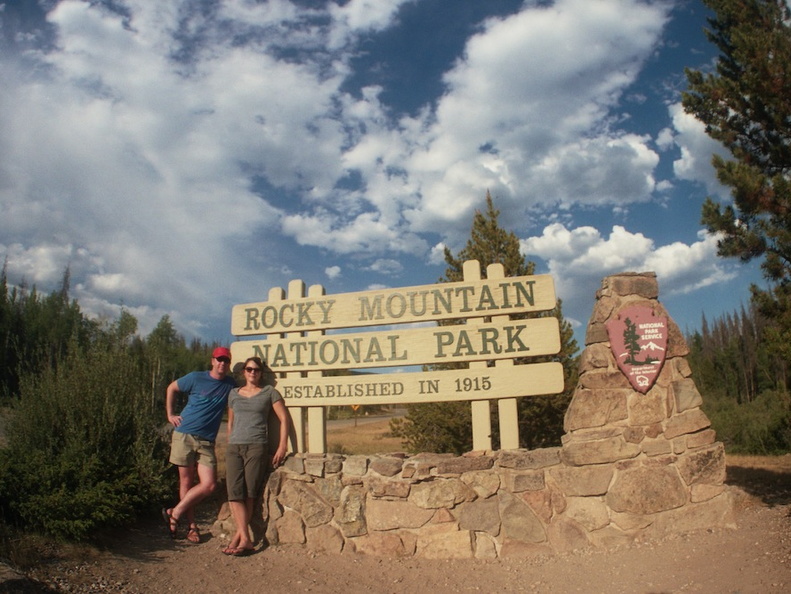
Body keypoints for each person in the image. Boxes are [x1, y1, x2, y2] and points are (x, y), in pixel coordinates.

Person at [162, 346, 237, 543]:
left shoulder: (230, 385)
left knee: (209, 485)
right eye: (219, 359)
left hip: (206, 441)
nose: (222, 363)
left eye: (226, 360)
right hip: (184, 433)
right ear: (212, 361)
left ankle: (174, 512)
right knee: (186, 482)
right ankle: (191, 527)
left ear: (229, 364)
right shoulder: (196, 377)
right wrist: (170, 414)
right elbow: (172, 388)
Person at [223, 356, 289, 556]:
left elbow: (284, 418)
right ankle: (245, 538)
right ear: (244, 372)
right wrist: (229, 441)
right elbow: (230, 422)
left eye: (257, 370)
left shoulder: (269, 393)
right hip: (235, 447)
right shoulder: (233, 393)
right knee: (234, 493)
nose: (253, 372)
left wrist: (282, 446)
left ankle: (239, 539)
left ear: (261, 373)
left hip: (256, 446)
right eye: (249, 369)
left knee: (250, 493)